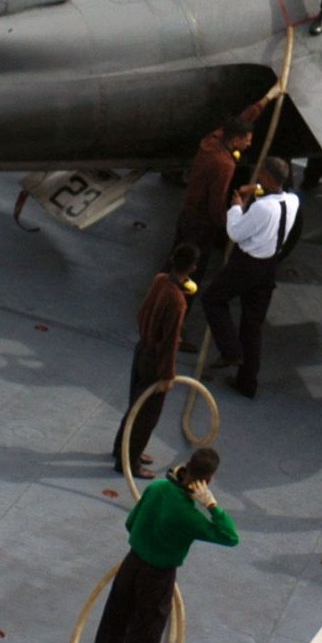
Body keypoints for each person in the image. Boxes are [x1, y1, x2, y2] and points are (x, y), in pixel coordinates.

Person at [89, 447, 240, 643]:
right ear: (208, 481)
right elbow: (230, 537)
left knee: (115, 619)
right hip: (158, 576)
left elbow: (130, 523)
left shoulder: (157, 488)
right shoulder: (189, 516)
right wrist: (212, 505)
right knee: (144, 635)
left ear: (187, 465)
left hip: (131, 562)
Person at [202, 165, 301, 399]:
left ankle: (231, 351)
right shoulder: (293, 201)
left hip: (248, 264)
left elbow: (235, 233)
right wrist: (254, 187)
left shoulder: (261, 208)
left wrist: (236, 207)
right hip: (269, 266)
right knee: (252, 325)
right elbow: (272, 190)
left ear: (267, 176)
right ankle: (247, 382)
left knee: (212, 300)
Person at [115, 246, 201, 474]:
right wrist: (167, 375)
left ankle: (120, 450)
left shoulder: (160, 280)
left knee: (135, 404)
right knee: (146, 416)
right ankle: (128, 463)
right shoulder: (178, 301)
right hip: (155, 362)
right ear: (192, 267)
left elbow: (142, 312)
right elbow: (170, 342)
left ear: (173, 259)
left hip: (142, 349)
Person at [175, 93, 279, 281]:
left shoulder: (214, 139)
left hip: (187, 216)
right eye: (247, 139)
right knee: (191, 272)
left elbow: (242, 119)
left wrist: (268, 97)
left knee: (176, 260)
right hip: (201, 226)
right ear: (236, 140)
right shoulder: (224, 164)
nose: (249, 143)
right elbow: (216, 203)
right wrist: (230, 224)